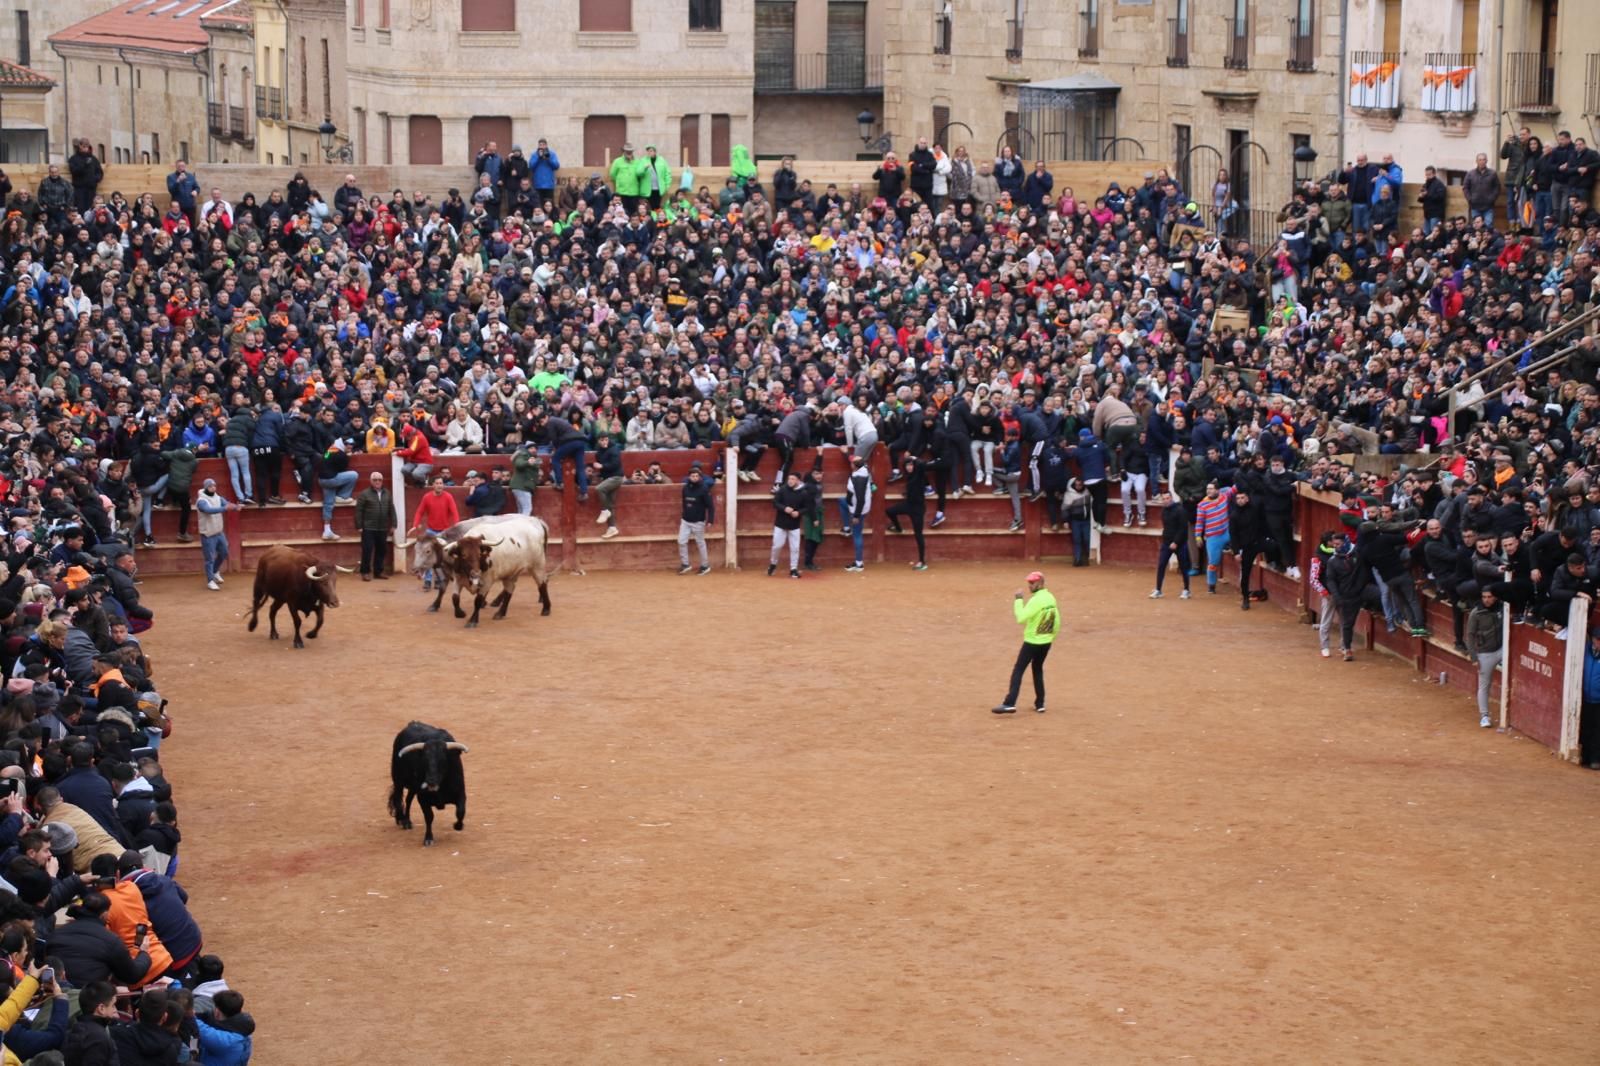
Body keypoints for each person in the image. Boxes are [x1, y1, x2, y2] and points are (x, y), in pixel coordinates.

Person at [993, 571, 1058, 714]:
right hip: (1046, 641)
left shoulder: (1036, 600)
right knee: (1037, 668)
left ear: (1040, 583)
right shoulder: (1050, 597)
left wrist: (1018, 600)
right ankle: (1040, 703)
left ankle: (1010, 703)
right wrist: (1051, 636)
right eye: (1029, 582)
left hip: (1032, 641)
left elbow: (1021, 618)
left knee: (1019, 669)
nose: (1030, 585)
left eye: (1032, 583)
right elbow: (1056, 620)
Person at [411, 476, 461, 591]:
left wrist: (457, 526)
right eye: (437, 483)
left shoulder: (448, 497)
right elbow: (419, 512)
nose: (439, 485)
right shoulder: (427, 497)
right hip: (431, 531)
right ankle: (428, 581)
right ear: (433, 485)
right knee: (428, 557)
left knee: (441, 558)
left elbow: (454, 512)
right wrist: (415, 524)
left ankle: (439, 579)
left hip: (444, 532)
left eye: (441, 483)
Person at [1466, 586, 1505, 730]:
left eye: (1489, 597)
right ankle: (1484, 716)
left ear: (1495, 597)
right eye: (1484, 597)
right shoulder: (1476, 613)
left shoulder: (1503, 608)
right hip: (1484, 653)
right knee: (1484, 685)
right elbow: (1470, 635)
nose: (1487, 600)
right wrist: (1474, 657)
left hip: (1502, 649)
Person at [884, 456, 931, 571]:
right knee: (889, 511)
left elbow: (923, 465)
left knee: (918, 534)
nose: (909, 467)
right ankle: (898, 528)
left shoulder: (919, 473)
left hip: (918, 509)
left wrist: (915, 459)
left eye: (911, 465)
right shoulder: (909, 476)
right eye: (907, 465)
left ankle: (922, 562)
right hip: (909, 505)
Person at [354, 471, 397, 581]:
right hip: (368, 527)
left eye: (379, 480)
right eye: (375, 480)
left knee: (381, 550)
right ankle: (365, 572)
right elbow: (358, 511)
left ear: (382, 481)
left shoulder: (387, 493)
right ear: (371, 481)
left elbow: (391, 509)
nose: (377, 482)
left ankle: (378, 572)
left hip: (382, 527)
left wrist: (394, 524)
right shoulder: (364, 494)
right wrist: (359, 526)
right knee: (367, 550)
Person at [196, 479, 237, 592]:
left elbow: (227, 504)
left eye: (214, 486)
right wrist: (225, 508)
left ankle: (214, 572)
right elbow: (208, 510)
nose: (213, 488)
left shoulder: (218, 497)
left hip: (219, 532)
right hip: (208, 534)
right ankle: (210, 581)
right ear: (206, 488)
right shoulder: (201, 501)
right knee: (209, 558)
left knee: (224, 553)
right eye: (211, 486)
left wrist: (236, 507)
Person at [1150, 493, 1192, 598]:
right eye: (1164, 499)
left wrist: (1176, 542)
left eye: (1167, 498)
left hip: (1180, 544)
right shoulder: (1164, 511)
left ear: (1171, 498)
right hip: (1167, 543)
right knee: (1161, 565)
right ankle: (1158, 589)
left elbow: (1183, 529)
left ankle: (1187, 590)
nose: (1166, 500)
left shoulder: (1180, 510)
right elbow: (1166, 527)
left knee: (1183, 567)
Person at [317, 437, 359, 542]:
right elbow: (343, 468)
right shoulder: (341, 454)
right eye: (348, 444)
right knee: (353, 475)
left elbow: (325, 459)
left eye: (351, 444)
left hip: (322, 480)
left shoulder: (330, 449)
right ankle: (342, 496)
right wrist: (347, 456)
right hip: (330, 479)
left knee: (328, 504)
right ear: (343, 444)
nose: (350, 446)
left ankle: (327, 531)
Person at [768, 472, 808, 579]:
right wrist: (784, 508)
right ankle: (773, 564)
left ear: (798, 481)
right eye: (789, 479)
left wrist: (799, 513)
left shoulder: (803, 493)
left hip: (794, 525)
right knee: (777, 546)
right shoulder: (782, 490)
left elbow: (807, 507)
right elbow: (775, 503)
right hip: (780, 523)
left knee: (795, 548)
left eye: (793, 479)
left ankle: (793, 569)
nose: (790, 481)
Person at [677, 462, 714, 575]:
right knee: (681, 541)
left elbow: (710, 506)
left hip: (698, 521)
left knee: (700, 543)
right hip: (685, 520)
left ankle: (705, 565)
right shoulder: (685, 488)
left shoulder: (704, 489)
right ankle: (685, 564)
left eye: (697, 476)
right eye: (692, 476)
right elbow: (684, 502)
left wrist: (710, 520)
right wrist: (685, 514)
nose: (694, 478)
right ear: (689, 477)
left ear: (700, 477)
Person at [839, 454, 873, 573]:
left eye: (852, 462)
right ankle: (847, 528)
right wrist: (845, 454)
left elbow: (860, 499)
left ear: (854, 465)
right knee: (841, 501)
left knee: (857, 534)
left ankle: (859, 563)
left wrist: (856, 515)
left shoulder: (858, 478)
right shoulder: (864, 470)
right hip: (858, 505)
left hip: (858, 509)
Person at [590, 433, 624, 541]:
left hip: (616, 477)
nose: (604, 442)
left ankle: (604, 511)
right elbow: (604, 469)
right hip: (608, 478)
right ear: (598, 441)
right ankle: (612, 527)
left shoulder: (614, 449)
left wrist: (602, 466)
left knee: (599, 489)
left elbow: (616, 464)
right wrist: (599, 473)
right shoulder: (599, 453)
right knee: (610, 504)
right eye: (602, 440)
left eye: (606, 440)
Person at [1581, 630, 1600, 770]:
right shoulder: (1584, 649)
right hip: (1585, 698)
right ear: (1593, 639)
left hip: (1599, 701)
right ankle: (1585, 757)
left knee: (1597, 731)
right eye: (1598, 639)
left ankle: (1595, 759)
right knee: (1586, 728)